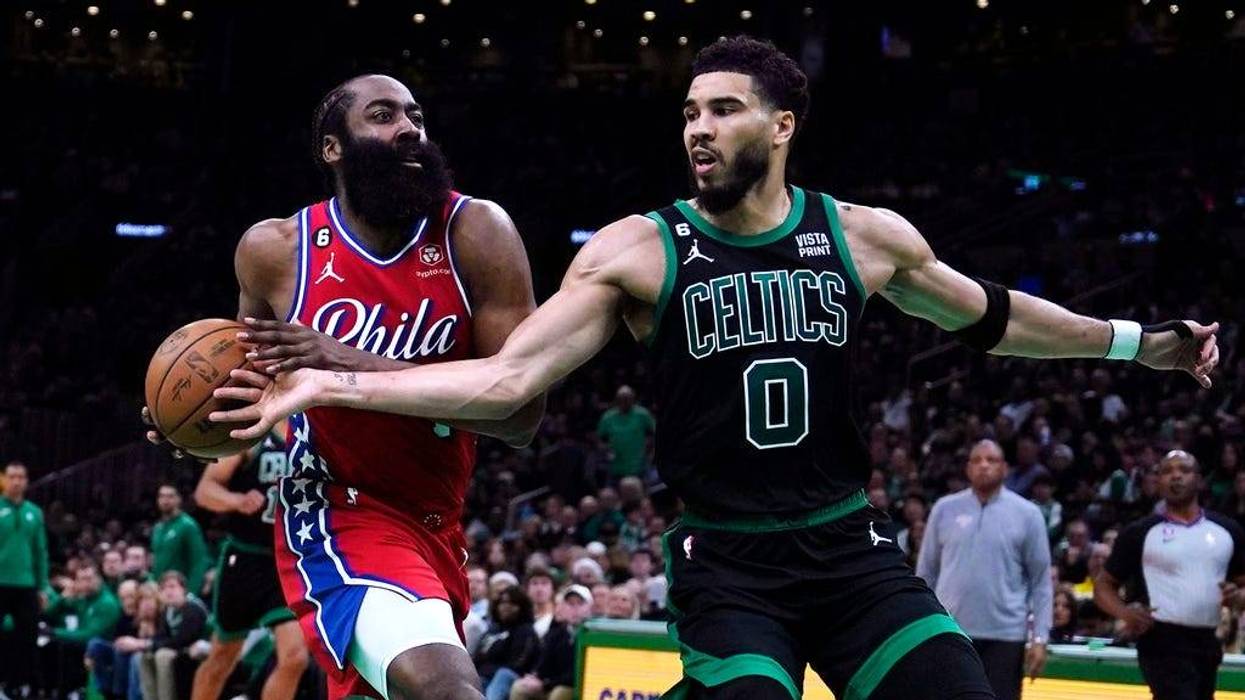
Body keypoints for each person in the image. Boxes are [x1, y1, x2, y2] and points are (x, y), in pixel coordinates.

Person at [212, 36, 1221, 700]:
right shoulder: (633, 251)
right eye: (690, 111)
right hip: (729, 564)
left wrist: (1141, 342)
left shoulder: (862, 237)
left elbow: (997, 319)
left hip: (850, 549)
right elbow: (509, 385)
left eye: (725, 109)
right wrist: (330, 380)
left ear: (782, 127)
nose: (699, 128)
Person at [147, 72, 545, 700]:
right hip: (332, 509)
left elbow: (520, 417)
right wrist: (202, 431)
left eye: (415, 115)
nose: (409, 128)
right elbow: (254, 390)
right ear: (333, 148)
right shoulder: (274, 251)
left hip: (436, 520)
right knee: (448, 689)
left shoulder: (477, 234)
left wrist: (343, 362)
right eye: (383, 116)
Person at [1095, 450, 1245, 700]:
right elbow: (1103, 586)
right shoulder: (1139, 532)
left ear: (1199, 479)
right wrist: (1125, 613)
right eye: (1167, 471)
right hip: (1161, 640)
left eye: (1184, 470)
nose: (1175, 476)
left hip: (1208, 639)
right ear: (1158, 481)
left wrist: (1238, 597)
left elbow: (1242, 585)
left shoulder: (1228, 530)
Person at [917, 440, 1053, 700]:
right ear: (967, 468)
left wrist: (1040, 638)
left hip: (1005, 635)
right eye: (977, 460)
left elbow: (1041, 582)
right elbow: (925, 575)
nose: (984, 466)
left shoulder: (1028, 514)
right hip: (949, 630)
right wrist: (922, 627)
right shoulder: (944, 509)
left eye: (991, 460)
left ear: (1004, 468)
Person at [190, 424, 309, 700]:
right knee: (222, 658)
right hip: (244, 558)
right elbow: (205, 491)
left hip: (288, 562)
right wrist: (236, 499)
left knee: (295, 658)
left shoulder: (313, 434)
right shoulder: (252, 433)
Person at [0, 462, 48, 699]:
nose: (17, 481)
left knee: (27, 639)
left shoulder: (35, 512)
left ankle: (19, 686)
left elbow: (41, 551)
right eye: (12, 477)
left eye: (21, 477)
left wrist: (43, 587)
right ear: (5, 480)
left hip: (27, 584)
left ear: (26, 481)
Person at [41, 562, 121, 697]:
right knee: (48, 645)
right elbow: (49, 614)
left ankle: (72, 692)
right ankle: (47, 691)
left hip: (104, 647)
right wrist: (62, 597)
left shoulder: (106, 603)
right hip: (84, 645)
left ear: (98, 579)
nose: (85, 583)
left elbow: (89, 635)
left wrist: (54, 632)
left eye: (89, 579)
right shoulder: (82, 598)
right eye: (81, 579)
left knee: (64, 645)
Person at [129, 571, 210, 700]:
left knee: (162, 655)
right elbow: (162, 635)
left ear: (183, 589)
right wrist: (147, 645)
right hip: (180, 648)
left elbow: (183, 639)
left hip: (198, 650)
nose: (168, 591)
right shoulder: (168, 610)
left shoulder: (193, 607)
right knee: (145, 656)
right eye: (164, 588)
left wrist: (148, 644)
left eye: (172, 586)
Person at [509, 585, 593, 700]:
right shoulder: (557, 633)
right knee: (519, 687)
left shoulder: (592, 635)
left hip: (575, 686)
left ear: (589, 608)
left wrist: (545, 684)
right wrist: (535, 676)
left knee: (558, 694)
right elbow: (544, 660)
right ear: (563, 607)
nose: (575, 609)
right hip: (551, 683)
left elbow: (578, 673)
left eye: (580, 604)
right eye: (570, 604)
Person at [473, 586, 539, 700]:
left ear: (521, 607)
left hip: (512, 677)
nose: (505, 607)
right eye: (502, 603)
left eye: (511, 604)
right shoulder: (492, 630)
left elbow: (518, 664)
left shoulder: (526, 631)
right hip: (485, 676)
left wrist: (488, 670)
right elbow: (477, 658)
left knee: (503, 674)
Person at [151, 483, 210, 596]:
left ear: (179, 499)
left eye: (170, 496)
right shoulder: (157, 527)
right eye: (161, 496)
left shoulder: (188, 526)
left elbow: (198, 562)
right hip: (159, 590)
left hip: (179, 591)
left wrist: (191, 593)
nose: (165, 500)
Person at [596, 386, 656, 482]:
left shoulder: (642, 414)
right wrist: (606, 450)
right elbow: (600, 439)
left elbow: (655, 433)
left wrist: (651, 452)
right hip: (616, 466)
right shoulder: (608, 417)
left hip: (639, 465)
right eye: (621, 398)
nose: (624, 401)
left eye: (627, 398)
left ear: (633, 398)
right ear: (617, 400)